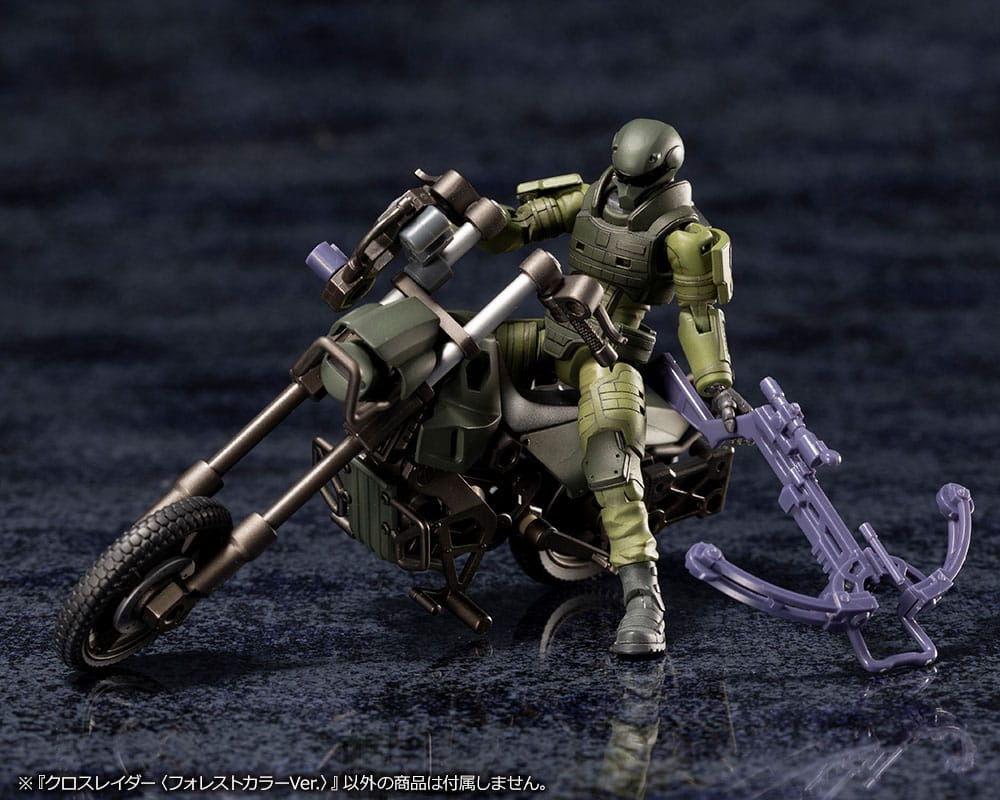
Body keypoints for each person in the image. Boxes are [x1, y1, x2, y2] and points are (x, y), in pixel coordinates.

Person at [483, 119, 740, 656]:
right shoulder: (590, 196)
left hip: (608, 350)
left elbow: (699, 317)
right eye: (620, 176)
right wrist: (469, 213)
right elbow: (513, 228)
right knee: (459, 351)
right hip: (552, 330)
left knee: (609, 446)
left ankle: (643, 595)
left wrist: (716, 385)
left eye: (634, 181)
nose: (623, 189)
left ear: (662, 173)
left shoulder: (683, 237)